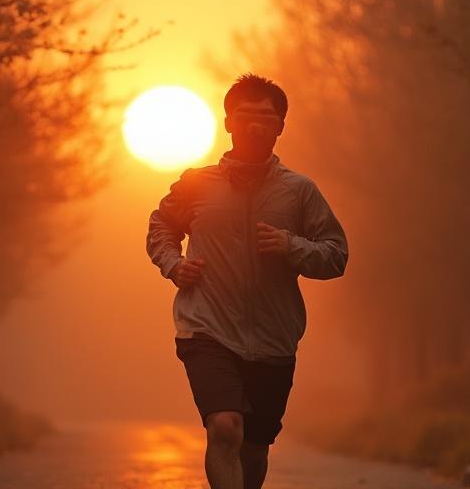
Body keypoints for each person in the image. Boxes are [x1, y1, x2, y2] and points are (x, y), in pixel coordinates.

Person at [146, 73, 349, 489]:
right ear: (227, 123)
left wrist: (291, 245)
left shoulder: (299, 191)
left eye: (266, 118)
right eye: (245, 117)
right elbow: (161, 225)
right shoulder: (196, 183)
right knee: (225, 428)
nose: (255, 126)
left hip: (274, 339)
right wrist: (173, 264)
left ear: (280, 127)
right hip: (206, 329)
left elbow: (336, 254)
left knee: (254, 448)